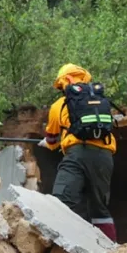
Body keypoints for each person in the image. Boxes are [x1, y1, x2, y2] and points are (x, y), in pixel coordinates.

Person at [41, 63, 118, 241]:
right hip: (105, 156)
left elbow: (52, 140)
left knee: (61, 201)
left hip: (77, 154)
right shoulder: (102, 102)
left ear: (65, 82)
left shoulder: (59, 105)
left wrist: (48, 143)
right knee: (99, 208)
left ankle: (64, 245)